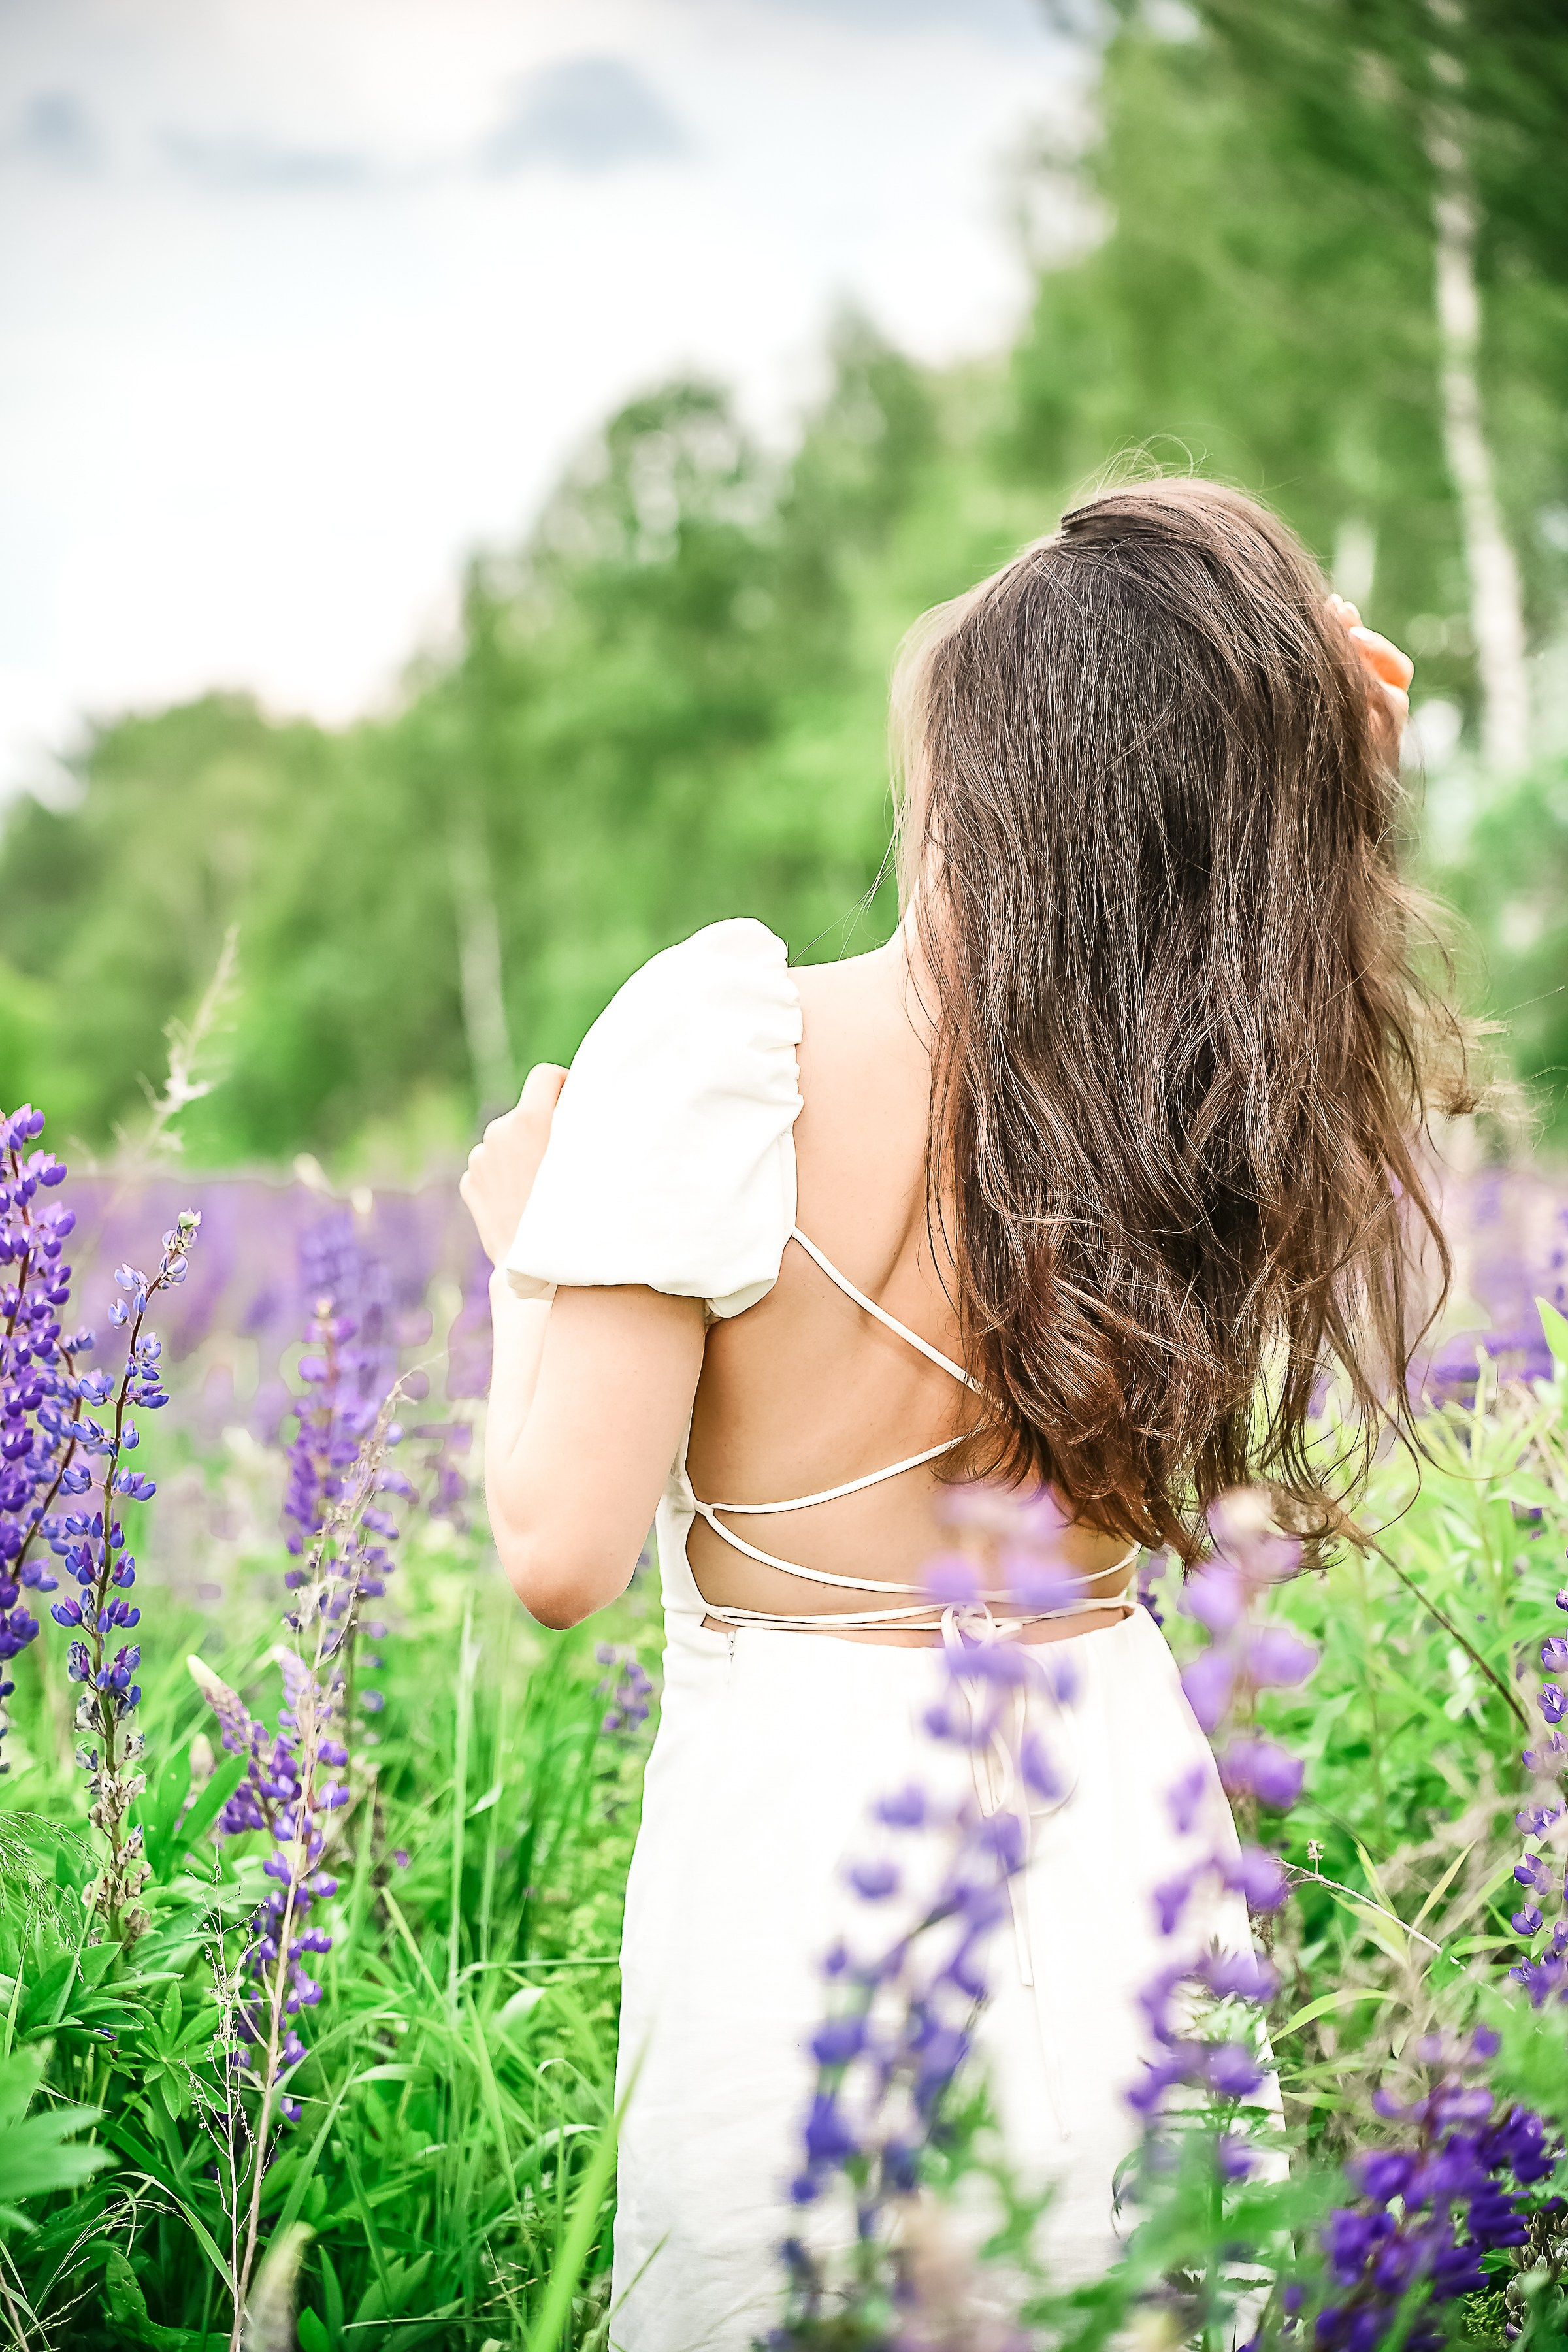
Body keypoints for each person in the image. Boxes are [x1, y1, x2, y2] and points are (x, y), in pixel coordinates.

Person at [460, 480, 1458, 2351]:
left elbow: (557, 1554)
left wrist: (533, 1253)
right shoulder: (1211, 1106)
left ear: (980, 785)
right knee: (1155, 2294)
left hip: (818, 1855)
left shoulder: (720, 1040)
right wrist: (1324, 774)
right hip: (1123, 1813)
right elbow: (1269, 923)